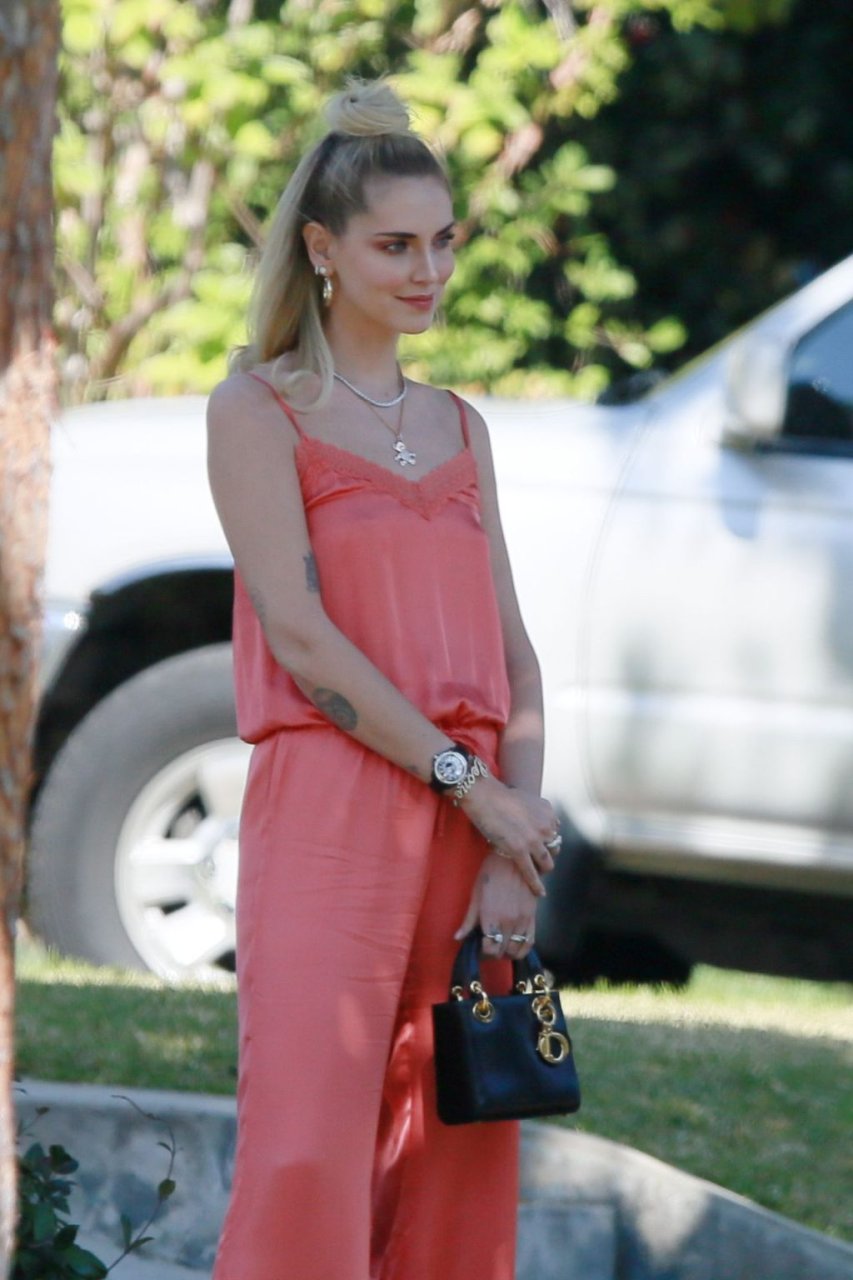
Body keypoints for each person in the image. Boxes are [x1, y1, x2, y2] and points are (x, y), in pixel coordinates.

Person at [206, 77, 561, 1280]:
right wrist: (475, 786)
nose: (429, 270)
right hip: (333, 806)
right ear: (322, 248)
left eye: (442, 241)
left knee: (457, 1137)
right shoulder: (258, 409)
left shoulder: (461, 425)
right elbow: (302, 640)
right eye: (395, 245)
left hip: (477, 824)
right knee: (307, 1142)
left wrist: (514, 839)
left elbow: (515, 656)